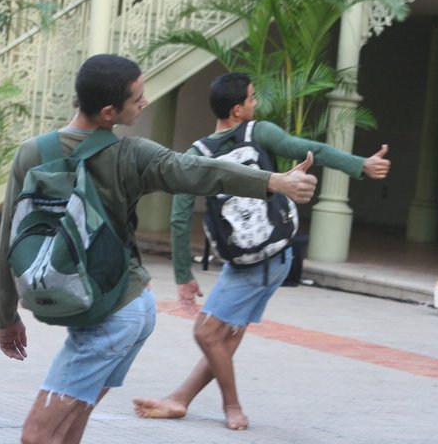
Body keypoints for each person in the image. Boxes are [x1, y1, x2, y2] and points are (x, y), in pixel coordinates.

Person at [0, 56, 319, 444]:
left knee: (37, 435)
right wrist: (274, 181)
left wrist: (6, 316)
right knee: (65, 431)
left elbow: (9, 239)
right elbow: (201, 172)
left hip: (109, 317)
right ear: (108, 112)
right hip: (129, 309)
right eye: (138, 97)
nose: (145, 102)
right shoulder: (132, 154)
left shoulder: (32, 152)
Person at [133, 72, 391, 430]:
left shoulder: (198, 153)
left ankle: (231, 407)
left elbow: (180, 216)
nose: (256, 103)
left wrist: (183, 275)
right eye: (252, 98)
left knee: (207, 334)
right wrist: (360, 164)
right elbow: (313, 150)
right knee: (221, 336)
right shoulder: (260, 133)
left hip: (254, 261)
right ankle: (181, 399)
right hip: (272, 257)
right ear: (237, 110)